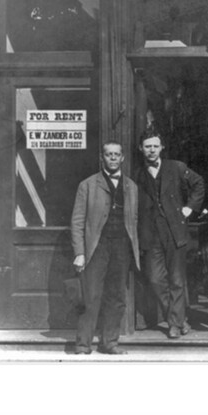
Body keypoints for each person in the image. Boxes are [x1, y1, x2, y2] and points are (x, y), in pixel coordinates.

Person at [70, 141, 140, 355]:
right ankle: (83, 344)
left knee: (116, 297)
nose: (112, 158)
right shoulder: (88, 185)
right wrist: (80, 253)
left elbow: (134, 220)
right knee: (90, 296)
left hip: (121, 246)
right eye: (108, 154)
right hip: (96, 247)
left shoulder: (131, 186)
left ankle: (110, 342)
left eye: (116, 154)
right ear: (102, 157)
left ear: (122, 158)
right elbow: (77, 221)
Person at [134, 127, 205, 339]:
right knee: (155, 279)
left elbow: (199, 184)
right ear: (141, 149)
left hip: (175, 231)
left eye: (155, 146)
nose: (152, 150)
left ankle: (174, 323)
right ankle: (179, 318)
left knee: (176, 279)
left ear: (162, 147)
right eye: (148, 147)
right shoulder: (136, 175)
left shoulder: (176, 167)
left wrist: (189, 208)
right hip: (150, 234)